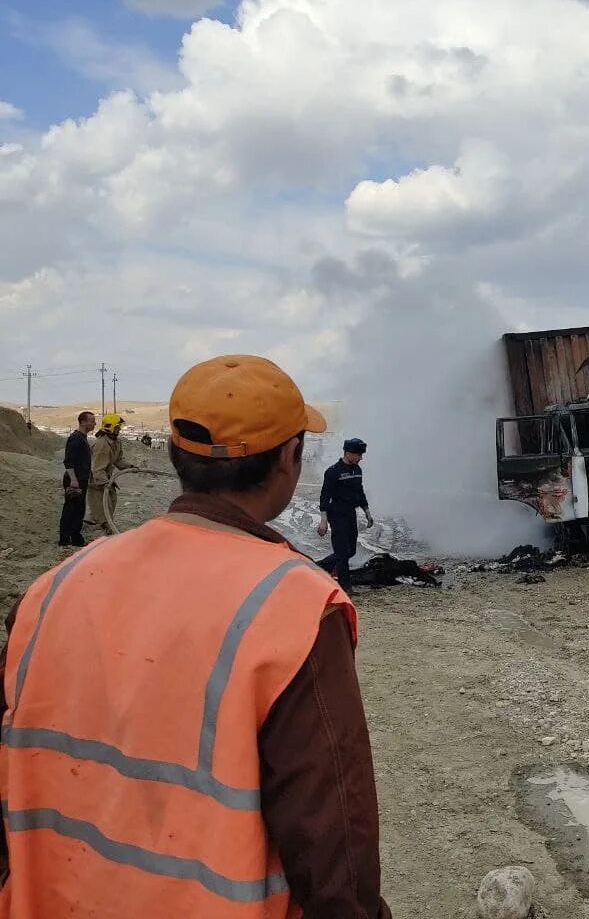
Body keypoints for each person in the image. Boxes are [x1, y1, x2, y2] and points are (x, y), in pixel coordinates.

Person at [0, 354, 390, 917]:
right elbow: (333, 846)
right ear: (289, 457)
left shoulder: (51, 589)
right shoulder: (296, 606)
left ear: (179, 455)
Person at [320, 437, 374, 594]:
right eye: (358, 455)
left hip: (351, 513)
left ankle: (321, 567)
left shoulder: (357, 471)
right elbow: (325, 496)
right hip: (336, 514)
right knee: (342, 552)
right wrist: (323, 520)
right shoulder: (333, 472)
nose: (361, 458)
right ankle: (346, 587)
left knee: (350, 550)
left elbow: (360, 492)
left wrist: (367, 512)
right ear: (348, 453)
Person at [86, 412, 133, 531]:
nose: (119, 430)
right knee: (103, 507)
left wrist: (131, 467)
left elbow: (118, 460)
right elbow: (97, 468)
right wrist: (104, 483)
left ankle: (102, 524)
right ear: (110, 427)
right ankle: (103, 528)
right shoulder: (101, 445)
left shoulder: (116, 442)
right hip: (97, 482)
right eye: (117, 427)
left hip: (106, 479)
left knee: (111, 502)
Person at [57, 411, 96, 547]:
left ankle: (75, 537)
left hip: (81, 480)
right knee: (70, 509)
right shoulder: (76, 438)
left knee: (79, 509)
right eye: (91, 420)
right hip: (75, 480)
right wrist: (73, 480)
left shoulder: (83, 438)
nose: (94, 423)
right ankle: (64, 539)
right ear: (83, 422)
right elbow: (69, 462)